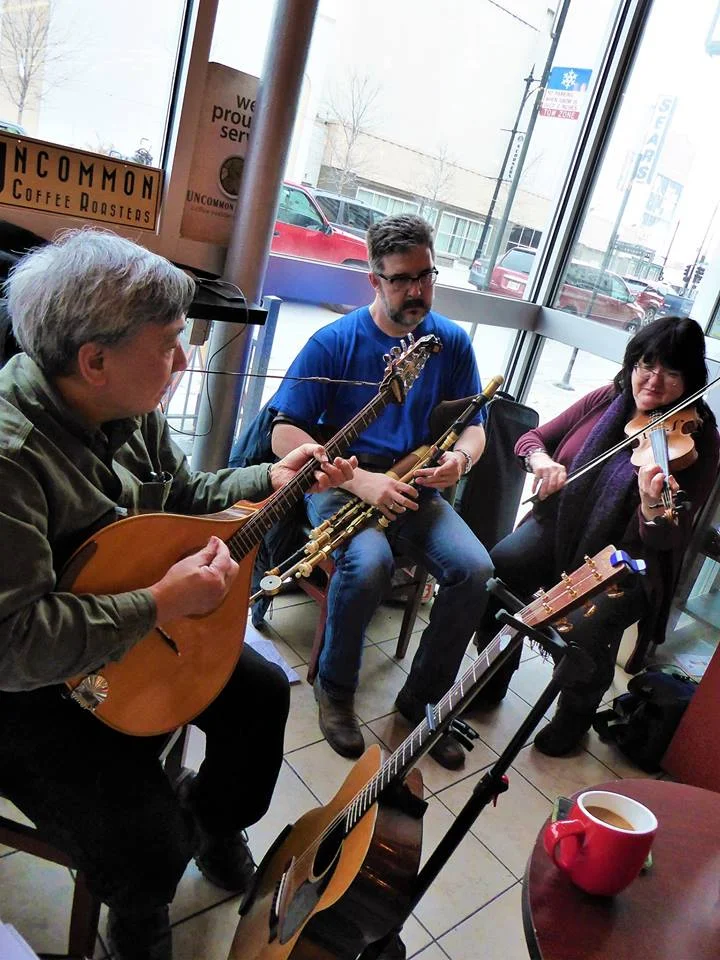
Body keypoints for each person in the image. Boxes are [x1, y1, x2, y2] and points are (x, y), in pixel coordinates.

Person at [0, 229, 355, 960]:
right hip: (27, 692)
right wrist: (160, 604)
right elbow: (15, 643)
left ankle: (215, 819)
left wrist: (269, 479)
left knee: (261, 696)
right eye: (168, 343)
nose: (184, 358)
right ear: (95, 360)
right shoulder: (10, 458)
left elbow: (186, 496)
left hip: (124, 638)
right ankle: (138, 904)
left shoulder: (124, 409)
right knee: (145, 842)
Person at [266, 213, 494, 771]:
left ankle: (421, 704)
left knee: (475, 570)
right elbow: (281, 433)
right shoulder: (335, 342)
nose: (416, 291)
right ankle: (335, 690)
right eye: (401, 279)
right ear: (374, 280)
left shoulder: (449, 342)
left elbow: (475, 422)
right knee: (367, 562)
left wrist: (460, 460)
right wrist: (361, 481)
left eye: (425, 275)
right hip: (344, 478)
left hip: (414, 481)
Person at [473, 316, 719, 756]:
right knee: (502, 566)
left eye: (672, 372)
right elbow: (532, 438)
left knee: (585, 628)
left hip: (629, 559)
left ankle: (574, 717)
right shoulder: (609, 398)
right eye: (647, 364)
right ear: (633, 362)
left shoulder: (698, 439)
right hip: (561, 524)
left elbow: (668, 537)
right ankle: (493, 678)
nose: (654, 380)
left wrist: (650, 506)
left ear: (691, 379)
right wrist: (543, 462)